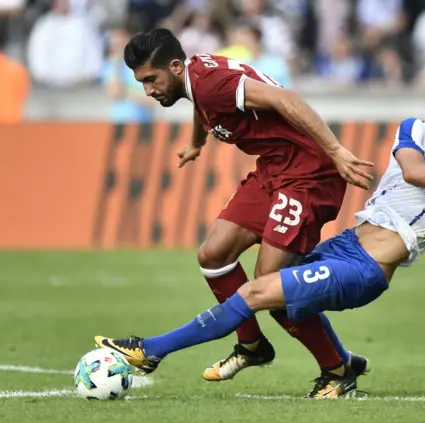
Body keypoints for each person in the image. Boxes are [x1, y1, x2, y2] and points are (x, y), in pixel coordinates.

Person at [95, 84, 425, 398]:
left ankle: (150, 352)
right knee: (278, 300)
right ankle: (340, 369)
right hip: (348, 243)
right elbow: (415, 172)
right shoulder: (413, 133)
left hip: (369, 268)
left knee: (260, 293)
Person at [101, 28, 375, 398]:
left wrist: (337, 150)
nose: (148, 90)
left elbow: (285, 98)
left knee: (271, 283)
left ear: (176, 66)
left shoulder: (212, 82)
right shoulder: (195, 78)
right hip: (274, 169)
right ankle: (252, 345)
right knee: (213, 255)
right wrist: (197, 143)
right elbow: (202, 105)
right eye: (142, 82)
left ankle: (336, 368)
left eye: (151, 79)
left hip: (308, 174)